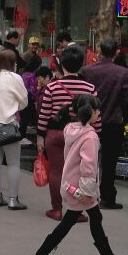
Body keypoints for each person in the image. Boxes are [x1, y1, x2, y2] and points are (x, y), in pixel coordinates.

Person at [33, 95, 128, 255]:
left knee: (93, 218)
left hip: (71, 184)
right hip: (82, 187)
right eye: (97, 110)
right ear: (91, 113)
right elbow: (88, 166)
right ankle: (43, 251)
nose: (99, 113)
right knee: (72, 221)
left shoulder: (70, 129)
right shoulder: (90, 137)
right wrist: (88, 189)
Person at [37, 45, 99, 221]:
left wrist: (40, 136)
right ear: (81, 64)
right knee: (77, 172)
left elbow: (44, 115)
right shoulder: (90, 88)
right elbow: (96, 114)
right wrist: (97, 134)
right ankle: (76, 211)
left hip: (56, 133)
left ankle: (56, 209)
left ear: (61, 65)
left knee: (57, 171)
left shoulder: (52, 88)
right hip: (82, 134)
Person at [81, 39, 128, 210]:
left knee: (87, 159)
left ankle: (85, 193)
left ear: (99, 51)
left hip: (90, 121)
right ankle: (107, 196)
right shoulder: (123, 73)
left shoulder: (87, 71)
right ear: (116, 52)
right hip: (113, 121)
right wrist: (123, 118)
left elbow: (81, 96)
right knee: (110, 161)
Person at [0, 48, 29, 209]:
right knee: (13, 163)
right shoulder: (15, 78)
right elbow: (24, 102)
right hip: (8, 124)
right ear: (12, 63)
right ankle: (13, 199)